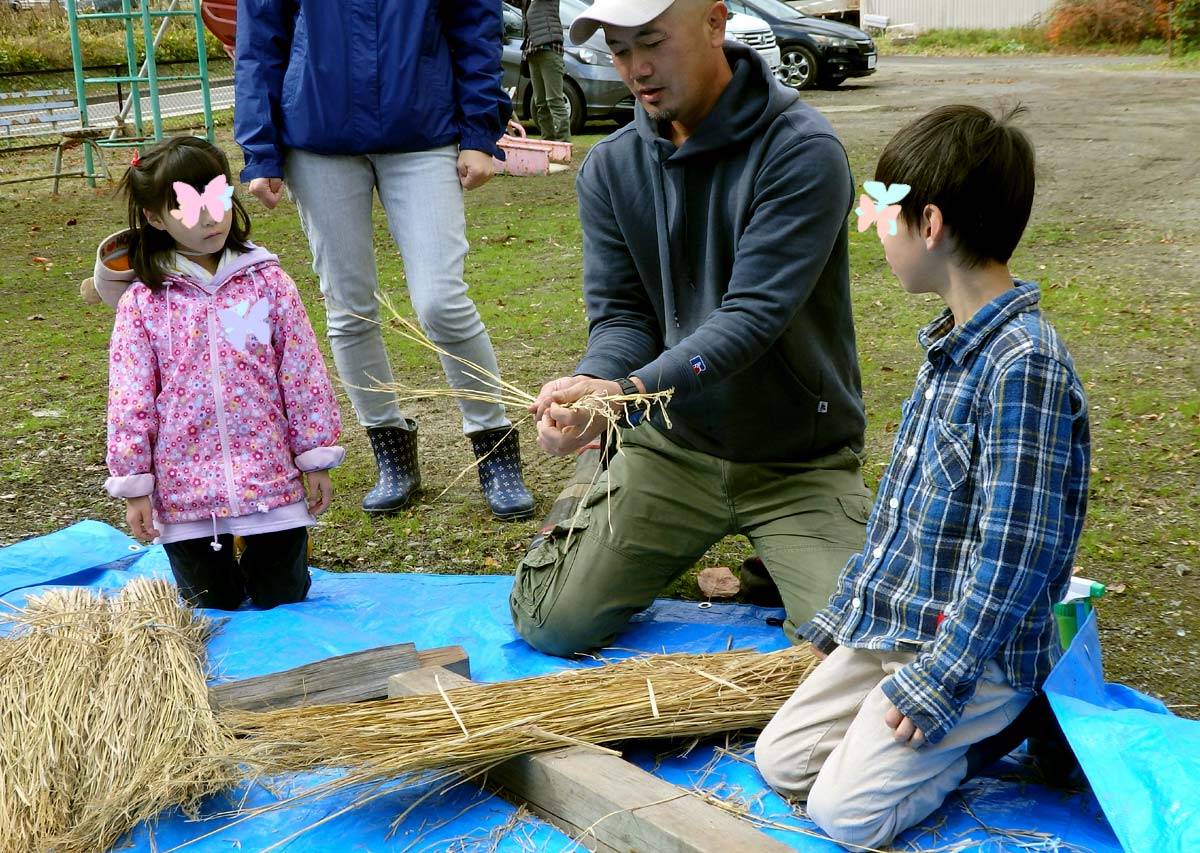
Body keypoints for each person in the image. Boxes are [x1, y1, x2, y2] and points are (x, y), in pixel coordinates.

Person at [754, 104, 1091, 850]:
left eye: (883, 214)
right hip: (900, 626)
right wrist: (842, 622)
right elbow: (901, 524)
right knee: (780, 762)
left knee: (845, 814)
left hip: (977, 650)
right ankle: (906, 710)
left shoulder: (1021, 365)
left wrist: (944, 679)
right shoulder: (949, 345)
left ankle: (1013, 716)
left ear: (929, 223)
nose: (876, 231)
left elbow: (1015, 556)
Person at [509, 0, 872, 657]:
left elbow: (751, 318)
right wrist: (597, 386)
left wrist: (630, 390)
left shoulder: (802, 151)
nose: (637, 69)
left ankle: (779, 554)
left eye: (652, 42)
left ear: (714, 21)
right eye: (619, 51)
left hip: (796, 456)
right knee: (548, 620)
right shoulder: (612, 167)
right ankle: (601, 490)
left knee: (854, 643)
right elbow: (623, 314)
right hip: (672, 446)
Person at [234, 0, 535, 520]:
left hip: (424, 133)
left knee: (442, 301)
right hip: (318, 138)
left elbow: (475, 26)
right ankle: (390, 451)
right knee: (348, 307)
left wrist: (481, 132)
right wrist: (261, 148)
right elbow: (260, 41)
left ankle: (494, 448)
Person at [105, 137, 344, 610]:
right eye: (190, 208)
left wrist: (315, 457)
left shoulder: (269, 282)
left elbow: (303, 372)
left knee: (284, 598)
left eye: (218, 198)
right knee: (214, 608)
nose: (212, 218)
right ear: (155, 217)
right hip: (186, 493)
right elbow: (129, 396)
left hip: (269, 483)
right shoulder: (144, 303)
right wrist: (136, 486)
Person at [521, 0, 571, 142]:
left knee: (554, 100)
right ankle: (548, 143)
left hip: (549, 48)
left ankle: (563, 144)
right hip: (532, 51)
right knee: (540, 103)